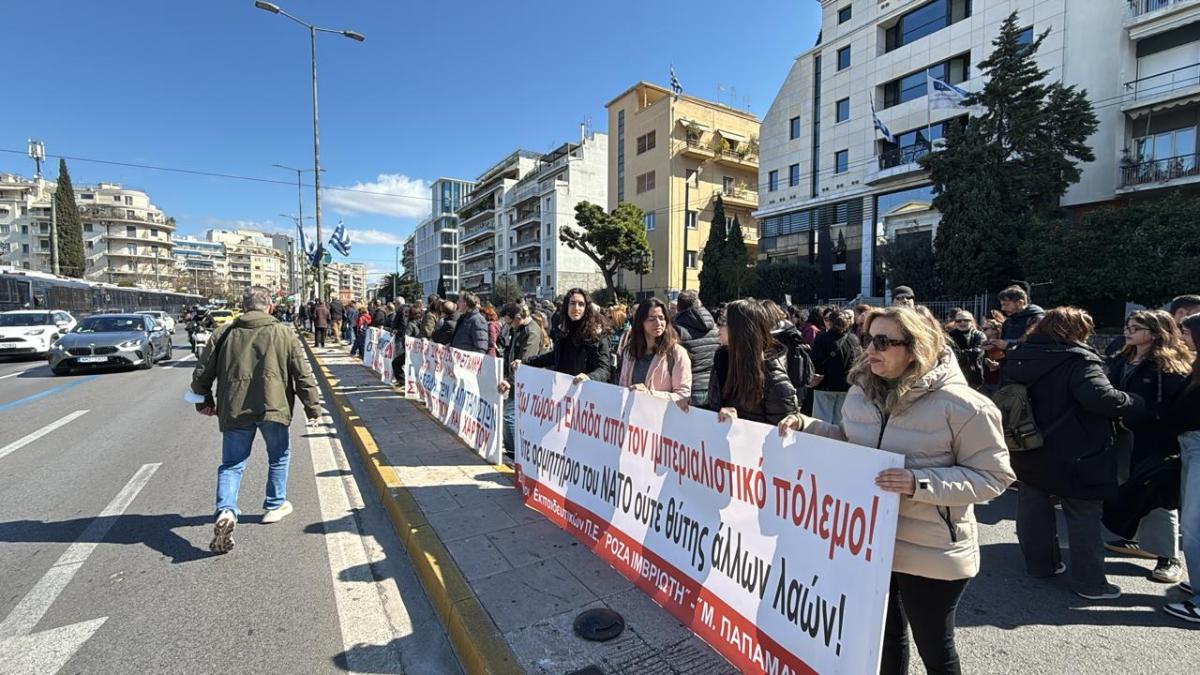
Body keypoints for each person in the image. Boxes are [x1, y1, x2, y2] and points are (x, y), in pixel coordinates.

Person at [778, 306, 1014, 675]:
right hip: (870, 544)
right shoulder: (860, 392)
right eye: (867, 339)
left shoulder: (966, 405)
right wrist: (807, 426)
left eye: (884, 342)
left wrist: (918, 483)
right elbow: (852, 443)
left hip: (932, 548)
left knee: (936, 649)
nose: (870, 348)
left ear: (916, 346)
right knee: (882, 641)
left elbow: (993, 477)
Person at [1003, 307, 1143, 600]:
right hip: (1077, 449)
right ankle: (1090, 584)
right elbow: (1099, 397)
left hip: (1029, 444)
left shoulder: (1019, 355)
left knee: (1033, 508)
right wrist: (1133, 401)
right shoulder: (1078, 360)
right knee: (1083, 516)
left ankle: (1041, 566)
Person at [191, 286, 322, 553]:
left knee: (232, 464)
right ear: (270, 307)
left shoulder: (224, 333)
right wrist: (313, 409)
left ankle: (226, 511)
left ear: (243, 306)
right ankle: (274, 506)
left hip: (235, 408)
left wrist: (204, 400)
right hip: (273, 407)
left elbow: (202, 372)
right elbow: (302, 374)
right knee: (278, 456)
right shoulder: (284, 333)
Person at [1105, 309, 1193, 584]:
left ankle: (1169, 557)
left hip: (1154, 439)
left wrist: (1144, 418)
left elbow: (1174, 407)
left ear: (1155, 333)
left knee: (1157, 495)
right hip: (1122, 435)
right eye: (1128, 325)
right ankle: (1135, 538)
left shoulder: (1170, 365)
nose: (1128, 331)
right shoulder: (1125, 356)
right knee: (1128, 485)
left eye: (1135, 327)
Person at [707, 299, 799, 425]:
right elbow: (712, 409)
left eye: (723, 321)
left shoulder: (773, 377)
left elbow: (784, 433)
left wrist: (739, 423)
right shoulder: (721, 363)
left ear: (739, 329)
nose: (718, 326)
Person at [1165, 312, 1200, 622]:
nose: (1182, 339)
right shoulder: (1194, 364)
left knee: (1194, 525)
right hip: (1190, 445)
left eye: (1187, 333)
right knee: (1193, 523)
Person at [515, 288, 611, 384]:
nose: (576, 308)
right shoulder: (564, 330)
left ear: (586, 308)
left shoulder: (597, 334)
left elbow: (604, 369)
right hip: (562, 390)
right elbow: (554, 356)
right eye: (572, 303)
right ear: (566, 306)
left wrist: (589, 377)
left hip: (586, 393)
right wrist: (524, 362)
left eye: (581, 304)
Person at [615, 298, 692, 402]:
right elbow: (622, 388)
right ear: (641, 322)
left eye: (661, 318)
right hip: (633, 415)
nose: (658, 323)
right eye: (651, 319)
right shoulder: (629, 351)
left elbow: (683, 395)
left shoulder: (677, 353)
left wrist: (649, 394)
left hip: (661, 416)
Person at [497, 302, 549, 452]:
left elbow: (525, 360)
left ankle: (514, 453)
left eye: (510, 322)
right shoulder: (519, 329)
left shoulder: (531, 332)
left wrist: (510, 381)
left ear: (518, 317)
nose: (509, 326)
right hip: (517, 380)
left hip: (525, 381)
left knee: (508, 416)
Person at [809, 309, 862, 424]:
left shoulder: (822, 338)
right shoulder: (853, 340)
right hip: (846, 386)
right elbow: (858, 362)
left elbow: (814, 360)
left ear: (830, 322)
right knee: (840, 423)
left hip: (824, 385)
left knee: (820, 424)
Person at [672, 291, 719, 407]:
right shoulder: (715, 327)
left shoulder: (676, 329)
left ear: (678, 307)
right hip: (714, 387)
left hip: (689, 387)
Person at [991, 285, 1045, 350]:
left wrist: (1009, 346)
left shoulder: (1038, 320)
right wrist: (994, 348)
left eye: (1006, 304)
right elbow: (1003, 349)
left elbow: (1038, 347)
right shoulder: (1008, 322)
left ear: (1020, 303)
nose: (1003, 308)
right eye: (1002, 305)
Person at [947, 310, 987, 388]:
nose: (962, 323)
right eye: (959, 321)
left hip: (975, 377)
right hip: (955, 376)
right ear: (955, 323)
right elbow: (949, 353)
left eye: (966, 320)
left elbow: (978, 352)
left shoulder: (979, 335)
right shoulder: (949, 336)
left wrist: (958, 355)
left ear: (972, 321)